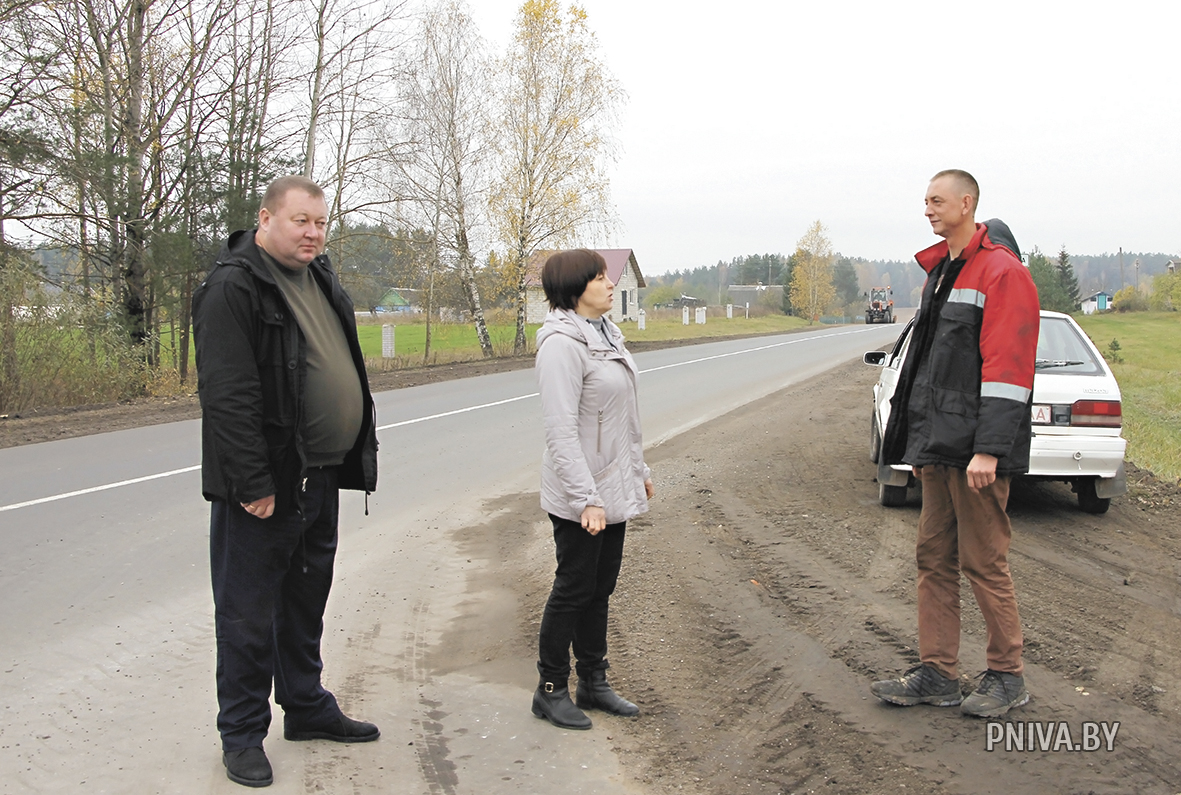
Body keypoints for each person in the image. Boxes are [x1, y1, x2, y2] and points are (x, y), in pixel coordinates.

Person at [193, 176, 379, 787]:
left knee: (304, 603)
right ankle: (242, 734)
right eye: (300, 220)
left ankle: (304, 707)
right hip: (265, 487)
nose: (312, 232)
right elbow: (228, 395)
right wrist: (252, 483)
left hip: (318, 478)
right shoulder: (234, 286)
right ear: (266, 219)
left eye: (321, 223)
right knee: (246, 614)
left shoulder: (320, 277)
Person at [871, 170, 1040, 718]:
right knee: (932, 558)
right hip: (939, 448)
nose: (928, 210)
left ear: (967, 204)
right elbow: (926, 371)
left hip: (976, 452)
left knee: (983, 561)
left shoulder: (1002, 273)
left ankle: (1006, 675)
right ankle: (938, 671)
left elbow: (1008, 370)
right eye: (924, 202)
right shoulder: (941, 271)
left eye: (936, 201)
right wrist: (919, 447)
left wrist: (989, 449)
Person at [531, 249, 655, 730]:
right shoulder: (562, 344)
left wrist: (639, 470)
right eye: (599, 277)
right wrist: (586, 499)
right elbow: (560, 432)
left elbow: (625, 418)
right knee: (573, 588)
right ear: (574, 287)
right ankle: (550, 688)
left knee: (600, 588)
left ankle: (594, 682)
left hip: (614, 487)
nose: (609, 284)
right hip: (582, 496)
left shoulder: (608, 336)